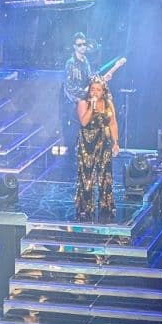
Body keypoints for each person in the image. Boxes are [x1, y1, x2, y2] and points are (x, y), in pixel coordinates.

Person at [75, 76, 119, 222]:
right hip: (87, 144)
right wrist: (92, 106)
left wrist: (115, 142)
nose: (95, 92)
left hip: (104, 142)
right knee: (87, 176)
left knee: (105, 174)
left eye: (98, 89)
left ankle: (106, 205)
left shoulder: (108, 103)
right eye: (92, 89)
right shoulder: (83, 103)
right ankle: (86, 208)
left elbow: (113, 123)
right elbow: (84, 121)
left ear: (103, 91)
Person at [61, 32, 91, 149]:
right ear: (74, 46)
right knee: (75, 130)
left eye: (84, 44)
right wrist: (83, 95)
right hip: (73, 103)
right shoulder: (70, 63)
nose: (83, 46)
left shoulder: (86, 61)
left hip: (84, 101)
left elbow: (88, 78)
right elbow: (69, 86)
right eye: (79, 45)